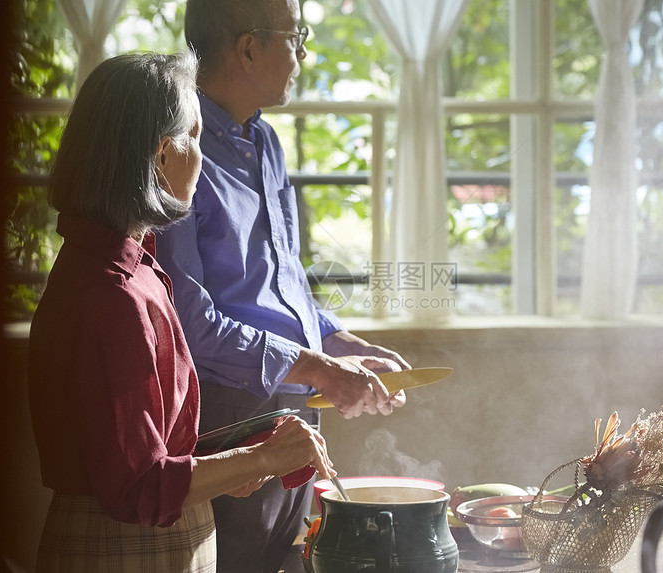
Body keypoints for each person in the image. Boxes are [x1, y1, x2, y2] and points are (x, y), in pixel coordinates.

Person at [27, 51, 336, 573]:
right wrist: (259, 459)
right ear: (160, 156)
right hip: (123, 550)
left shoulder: (128, 267)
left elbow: (149, 451)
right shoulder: (111, 296)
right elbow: (139, 486)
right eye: (194, 138)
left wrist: (235, 461)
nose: (202, 158)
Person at [155, 0, 411, 571]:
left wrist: (340, 344)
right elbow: (190, 327)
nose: (302, 55)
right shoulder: (177, 152)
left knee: (289, 562)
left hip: (300, 403)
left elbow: (286, 281)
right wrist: (318, 366)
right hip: (229, 417)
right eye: (297, 37)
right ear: (248, 48)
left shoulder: (266, 142)